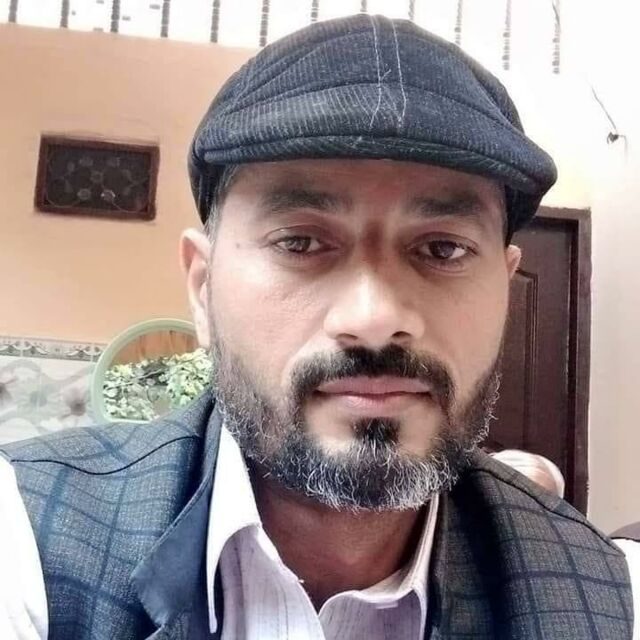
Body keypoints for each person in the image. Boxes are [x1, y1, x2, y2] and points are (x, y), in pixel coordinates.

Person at [1, 14, 638, 640]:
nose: (374, 320)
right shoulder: (23, 542)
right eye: (300, 242)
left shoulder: (614, 596)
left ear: (506, 286)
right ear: (203, 287)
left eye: (442, 249)